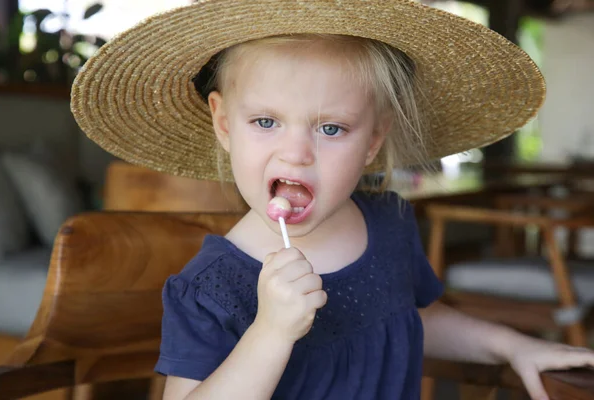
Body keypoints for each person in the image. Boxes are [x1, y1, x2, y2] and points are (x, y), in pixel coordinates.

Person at [70, 1, 594, 399]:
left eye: (331, 127)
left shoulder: (390, 220)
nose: (296, 154)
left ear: (373, 140)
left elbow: (410, 318)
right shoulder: (212, 288)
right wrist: (271, 332)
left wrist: (513, 345)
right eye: (266, 121)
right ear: (225, 123)